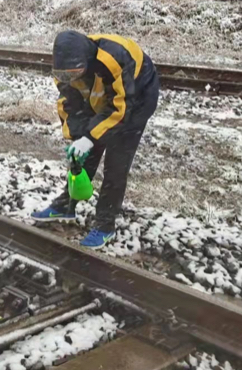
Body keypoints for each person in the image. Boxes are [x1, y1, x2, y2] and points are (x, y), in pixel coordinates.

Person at [31, 30, 159, 248]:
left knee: (116, 163)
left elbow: (121, 109)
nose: (69, 79)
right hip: (99, 96)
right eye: (65, 76)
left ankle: (105, 225)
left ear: (86, 62)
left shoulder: (115, 59)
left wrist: (91, 137)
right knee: (82, 158)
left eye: (74, 73)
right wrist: (78, 137)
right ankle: (66, 205)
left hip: (136, 98)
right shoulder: (65, 70)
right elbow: (68, 104)